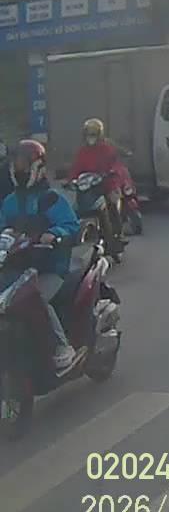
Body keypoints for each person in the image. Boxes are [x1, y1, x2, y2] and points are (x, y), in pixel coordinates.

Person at [0, 140, 81, 373]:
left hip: (49, 268)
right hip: (16, 268)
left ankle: (62, 347)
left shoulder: (52, 199)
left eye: (23, 163)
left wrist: (54, 234)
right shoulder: (10, 201)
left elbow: (71, 226)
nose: (18, 168)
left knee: (37, 299)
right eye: (16, 163)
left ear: (37, 167)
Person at [69, 118, 126, 247]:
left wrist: (111, 172)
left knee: (111, 202)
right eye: (89, 134)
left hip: (106, 184)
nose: (91, 137)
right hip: (88, 187)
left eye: (93, 134)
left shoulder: (107, 149)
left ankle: (117, 234)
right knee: (76, 208)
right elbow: (76, 168)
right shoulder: (83, 151)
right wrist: (71, 180)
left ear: (99, 135)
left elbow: (115, 164)